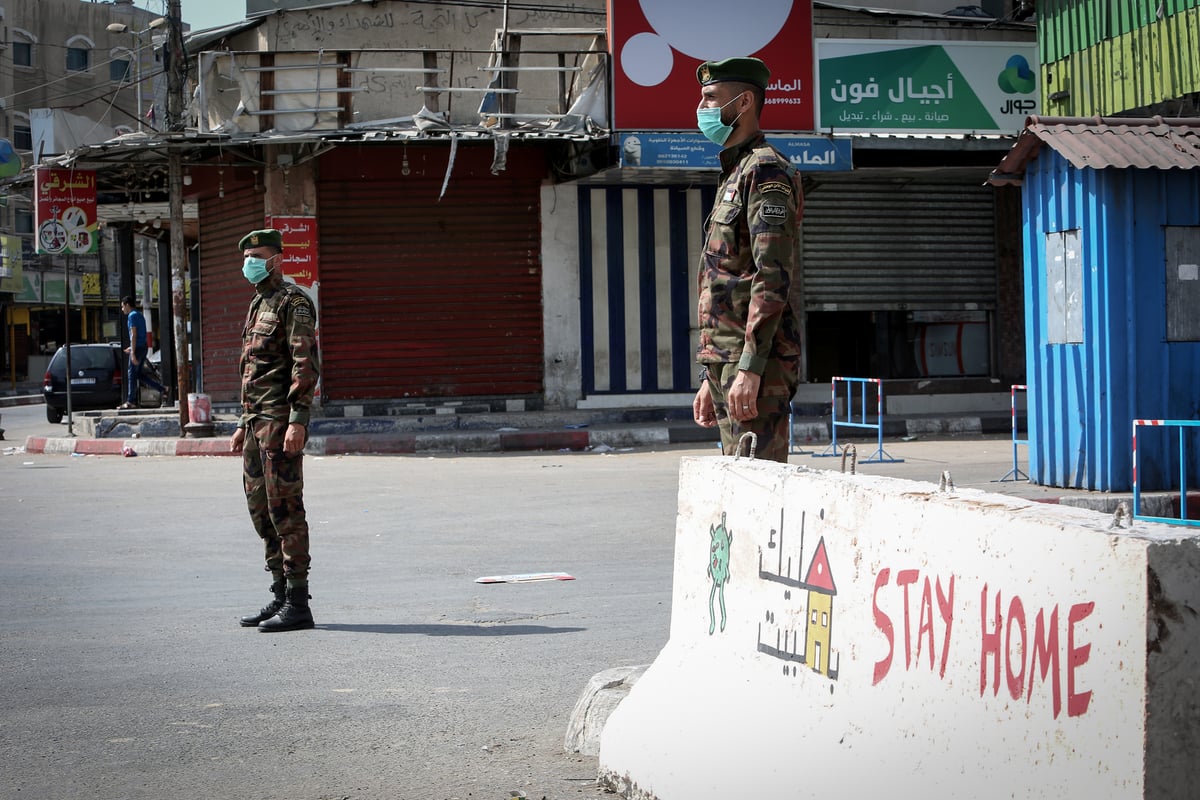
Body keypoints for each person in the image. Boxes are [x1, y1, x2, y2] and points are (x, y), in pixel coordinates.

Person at [690, 57, 803, 464]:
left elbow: (771, 275)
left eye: (710, 98)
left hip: (757, 362)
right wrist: (711, 375)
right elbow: (727, 278)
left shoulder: (766, 170)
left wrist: (750, 369)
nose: (701, 109)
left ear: (743, 103)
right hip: (727, 362)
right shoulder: (734, 172)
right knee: (738, 494)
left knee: (761, 488)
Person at [229, 229, 321, 633]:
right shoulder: (257, 303)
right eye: (247, 255)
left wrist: (298, 420)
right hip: (255, 423)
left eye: (258, 255)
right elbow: (253, 369)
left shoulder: (293, 302)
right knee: (260, 510)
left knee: (285, 509)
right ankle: (279, 594)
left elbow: (305, 364)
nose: (250, 261)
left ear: (278, 259)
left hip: (279, 423)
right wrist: (241, 423)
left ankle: (299, 604)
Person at [119, 296, 167, 409]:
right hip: (142, 346)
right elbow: (140, 335)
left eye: (122, 306)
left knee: (131, 374)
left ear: (127, 305)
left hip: (139, 348)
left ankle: (130, 401)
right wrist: (132, 348)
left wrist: (133, 352)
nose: (122, 309)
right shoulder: (139, 315)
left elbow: (134, 335)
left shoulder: (132, 316)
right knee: (139, 374)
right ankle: (163, 389)